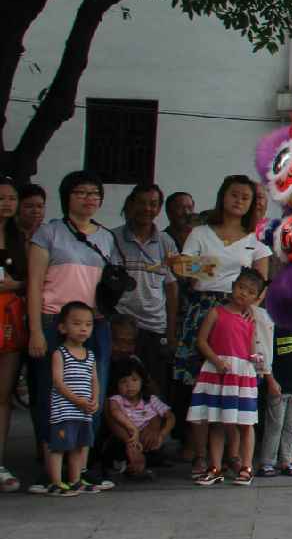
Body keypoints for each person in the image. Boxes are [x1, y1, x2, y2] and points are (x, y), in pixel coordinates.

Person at [27, 171, 119, 487]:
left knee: (93, 392)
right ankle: (50, 469)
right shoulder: (48, 234)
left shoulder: (106, 237)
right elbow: (35, 283)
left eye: (95, 193)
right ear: (67, 196)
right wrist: (37, 331)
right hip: (54, 322)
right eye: (81, 192)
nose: (89, 198)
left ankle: (80, 469)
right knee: (50, 394)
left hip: (95, 324)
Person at [174, 175, 270, 478]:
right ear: (222, 196)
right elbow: (182, 270)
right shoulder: (201, 232)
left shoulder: (255, 240)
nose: (239, 201)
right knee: (201, 384)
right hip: (204, 309)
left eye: (245, 197)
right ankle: (200, 455)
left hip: (240, 315)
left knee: (234, 384)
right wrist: (204, 266)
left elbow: (262, 284)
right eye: (234, 195)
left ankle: (232, 456)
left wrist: (248, 312)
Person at [190, 268, 273, 486]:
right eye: (241, 287)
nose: (243, 293)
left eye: (250, 291)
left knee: (245, 423)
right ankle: (214, 467)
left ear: (257, 297)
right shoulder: (216, 313)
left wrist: (257, 359)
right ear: (233, 286)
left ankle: (246, 467)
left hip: (242, 373)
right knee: (216, 421)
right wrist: (216, 361)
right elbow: (202, 341)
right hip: (218, 370)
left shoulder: (251, 319)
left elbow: (251, 349)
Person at [112, 183, 179, 403]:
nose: (146, 208)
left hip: (154, 326)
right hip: (122, 326)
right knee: (121, 384)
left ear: (159, 209)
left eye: (153, 204)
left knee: (154, 385)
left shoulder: (165, 242)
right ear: (130, 204)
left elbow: (172, 286)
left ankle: (153, 432)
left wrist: (170, 331)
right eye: (140, 202)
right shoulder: (112, 238)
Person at [44, 301, 100, 495]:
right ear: (62, 327)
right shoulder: (60, 353)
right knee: (59, 447)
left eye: (88, 324)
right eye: (76, 324)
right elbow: (58, 382)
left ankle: (76, 480)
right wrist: (77, 400)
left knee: (78, 447)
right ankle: (55, 483)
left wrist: (95, 400)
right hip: (65, 411)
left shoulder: (90, 354)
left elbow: (94, 380)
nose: (83, 329)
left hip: (83, 411)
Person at [0, 176, 29, 491]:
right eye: (1, 198)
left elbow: (31, 279)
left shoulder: (19, 238)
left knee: (3, 395)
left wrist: (14, 285)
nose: (6, 204)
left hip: (9, 318)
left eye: (10, 198)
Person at [102, 357, 173, 483]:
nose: (130, 385)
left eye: (134, 380)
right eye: (123, 382)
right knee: (116, 447)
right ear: (116, 384)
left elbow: (170, 417)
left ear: (142, 381)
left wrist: (161, 435)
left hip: (143, 441)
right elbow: (114, 412)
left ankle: (143, 469)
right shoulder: (116, 400)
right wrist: (132, 428)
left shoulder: (150, 400)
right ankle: (118, 470)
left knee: (151, 443)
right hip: (126, 439)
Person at [258, 320, 292, 477]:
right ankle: (267, 462)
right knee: (274, 425)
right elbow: (261, 354)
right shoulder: (271, 326)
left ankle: (286, 461)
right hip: (278, 386)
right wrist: (270, 380)